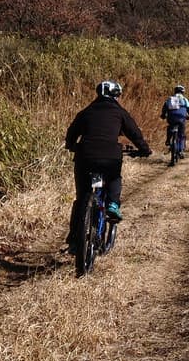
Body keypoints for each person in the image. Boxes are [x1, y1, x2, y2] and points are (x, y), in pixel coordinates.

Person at [64, 80, 150, 249]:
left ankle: (74, 237)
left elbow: (71, 133)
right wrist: (144, 149)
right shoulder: (119, 112)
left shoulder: (86, 112)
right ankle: (112, 204)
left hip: (85, 156)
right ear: (115, 96)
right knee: (114, 178)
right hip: (110, 157)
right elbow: (134, 133)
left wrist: (71, 146)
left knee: (82, 197)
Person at [160, 84, 189, 155]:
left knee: (170, 126)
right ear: (182, 92)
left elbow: (165, 107)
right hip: (181, 118)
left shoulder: (170, 99)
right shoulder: (184, 99)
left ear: (175, 91)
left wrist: (163, 115)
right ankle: (181, 150)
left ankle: (168, 140)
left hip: (171, 118)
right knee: (181, 134)